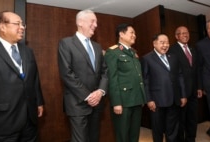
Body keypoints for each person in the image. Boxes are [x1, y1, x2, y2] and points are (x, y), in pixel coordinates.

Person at [58, 9, 108, 142]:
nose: (96, 25)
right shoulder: (66, 43)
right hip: (77, 104)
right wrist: (88, 96)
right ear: (80, 22)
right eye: (93, 21)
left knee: (94, 138)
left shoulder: (97, 46)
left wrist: (100, 92)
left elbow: (104, 71)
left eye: (96, 22)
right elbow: (67, 73)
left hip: (97, 103)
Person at [0, 11, 44, 141]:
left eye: (23, 24)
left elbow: (34, 78)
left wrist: (38, 102)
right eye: (17, 24)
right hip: (3, 121)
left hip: (30, 118)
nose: (22, 27)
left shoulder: (27, 50)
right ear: (2, 27)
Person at [104, 23, 146, 142]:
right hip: (123, 102)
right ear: (121, 34)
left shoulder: (133, 52)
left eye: (134, 33)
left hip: (137, 100)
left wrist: (142, 97)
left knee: (134, 134)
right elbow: (112, 78)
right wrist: (116, 102)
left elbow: (138, 77)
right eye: (131, 33)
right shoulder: (113, 52)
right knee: (122, 135)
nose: (135, 35)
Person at [141, 33, 187, 142]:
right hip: (157, 101)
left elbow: (180, 76)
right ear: (154, 43)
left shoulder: (173, 57)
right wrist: (149, 99)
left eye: (167, 43)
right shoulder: (147, 58)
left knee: (172, 130)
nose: (165, 45)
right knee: (158, 130)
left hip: (174, 99)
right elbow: (145, 80)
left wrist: (183, 95)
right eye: (162, 42)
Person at [169, 26, 199, 142]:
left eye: (186, 33)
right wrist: (180, 93)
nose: (185, 35)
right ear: (177, 36)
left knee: (192, 118)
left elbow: (197, 70)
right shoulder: (172, 50)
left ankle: (191, 139)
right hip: (181, 92)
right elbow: (173, 73)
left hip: (194, 91)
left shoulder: (193, 49)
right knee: (180, 120)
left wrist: (199, 87)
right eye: (182, 33)